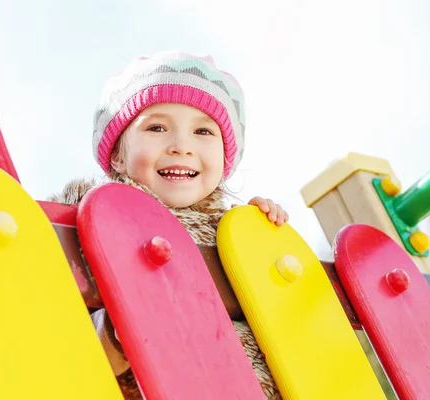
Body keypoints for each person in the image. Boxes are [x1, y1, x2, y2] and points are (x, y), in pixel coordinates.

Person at [48, 50, 287, 399]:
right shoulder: (86, 220)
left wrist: (262, 237)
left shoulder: (232, 233)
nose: (181, 146)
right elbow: (58, 347)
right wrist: (121, 333)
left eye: (204, 131)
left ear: (225, 161)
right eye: (157, 127)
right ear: (117, 154)